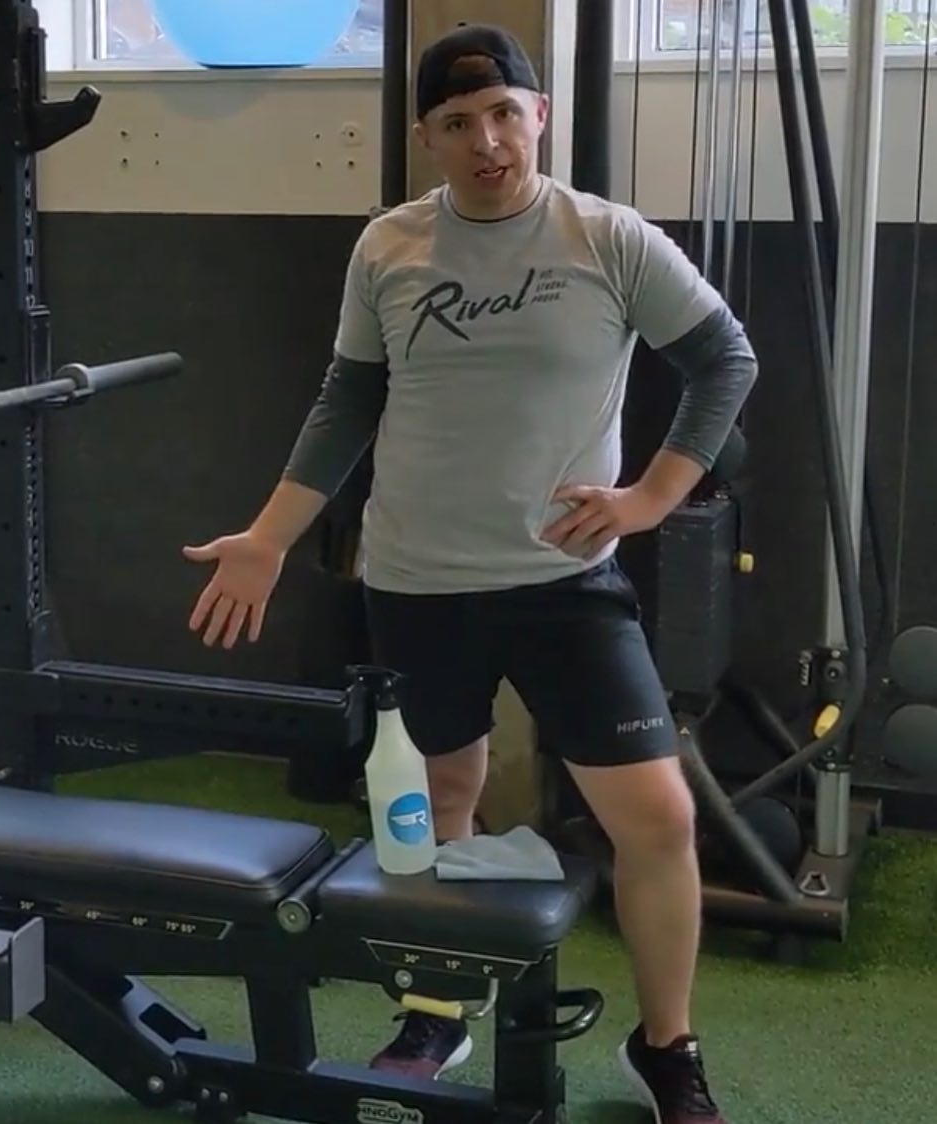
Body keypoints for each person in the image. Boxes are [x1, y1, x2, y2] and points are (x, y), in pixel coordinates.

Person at [182, 23, 757, 1124]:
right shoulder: (389, 246)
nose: (486, 140)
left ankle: (667, 1046)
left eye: (502, 114)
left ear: (538, 115)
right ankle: (436, 1009)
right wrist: (267, 537)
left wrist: (649, 497)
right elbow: (346, 401)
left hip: (565, 587)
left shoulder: (608, 238)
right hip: (417, 581)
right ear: (427, 138)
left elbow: (723, 357)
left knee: (656, 818)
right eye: (457, 122)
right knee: (438, 800)